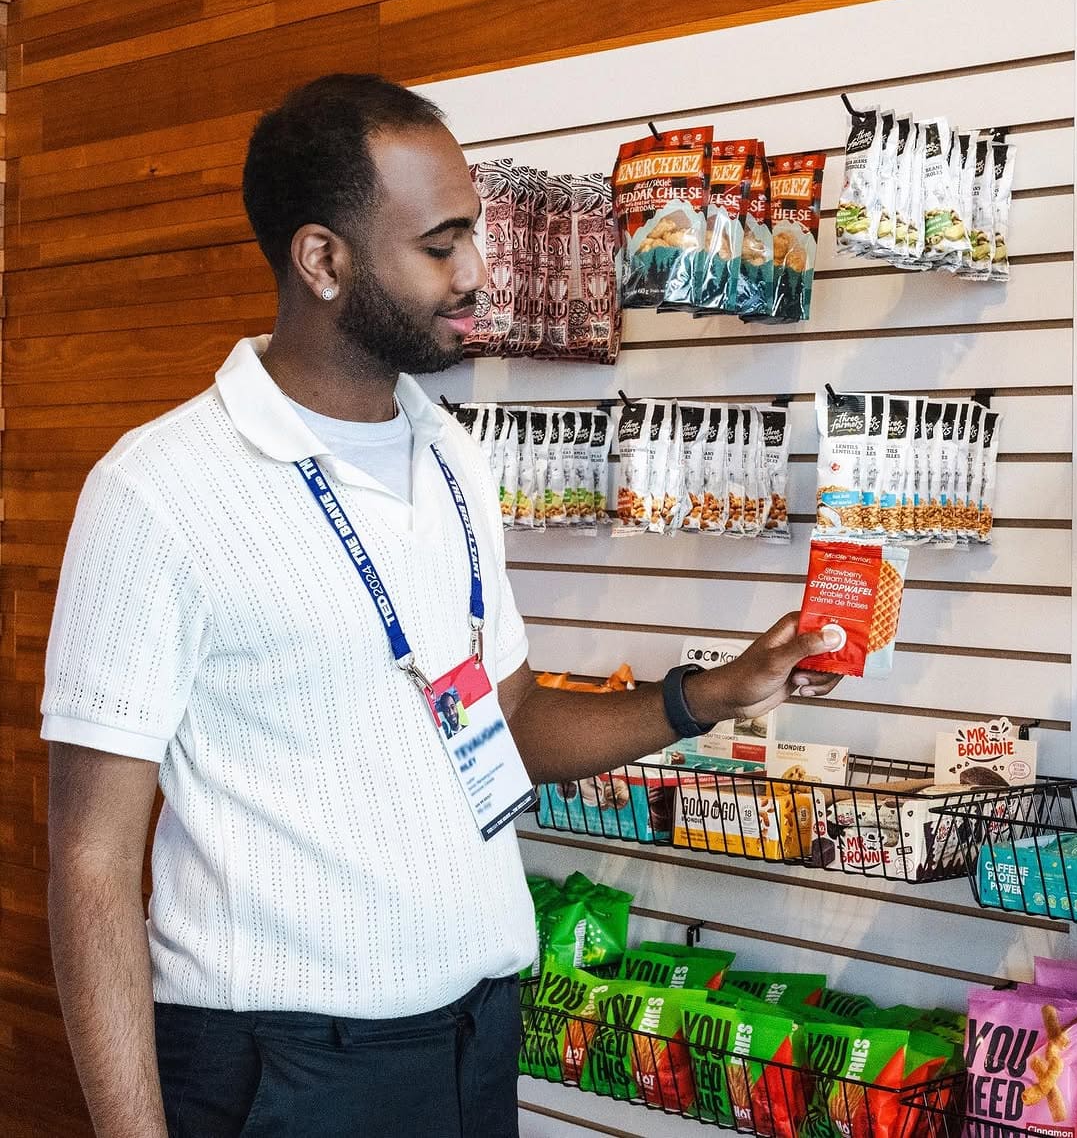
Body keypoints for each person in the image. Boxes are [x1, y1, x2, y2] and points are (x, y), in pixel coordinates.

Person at [42, 74, 842, 1138]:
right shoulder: (159, 490)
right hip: (283, 1066)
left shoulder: (454, 454)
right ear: (322, 260)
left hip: (473, 1040)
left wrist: (713, 693)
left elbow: (502, 722)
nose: (477, 273)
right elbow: (91, 860)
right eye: (440, 243)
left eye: (476, 234)